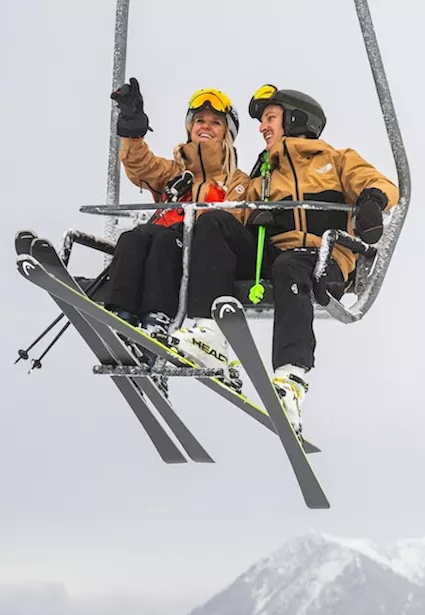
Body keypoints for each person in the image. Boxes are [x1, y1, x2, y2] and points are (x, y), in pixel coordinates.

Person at [179, 84, 398, 435]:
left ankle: (291, 377)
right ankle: (209, 331)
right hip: (276, 255)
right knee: (214, 221)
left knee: (289, 265)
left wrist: (371, 201)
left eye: (270, 118)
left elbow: (381, 183)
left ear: (295, 119)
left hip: (323, 257)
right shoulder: (264, 175)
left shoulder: (335, 160)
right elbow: (234, 218)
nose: (263, 127)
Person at [101, 78, 251, 344]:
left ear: (227, 133)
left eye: (215, 122)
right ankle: (120, 313)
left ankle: (157, 317)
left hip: (201, 256)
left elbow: (235, 218)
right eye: (199, 121)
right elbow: (142, 167)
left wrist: (192, 225)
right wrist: (131, 128)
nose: (206, 127)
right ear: (190, 127)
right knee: (133, 237)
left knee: (165, 240)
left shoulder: (236, 180)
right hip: (164, 245)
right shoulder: (174, 172)